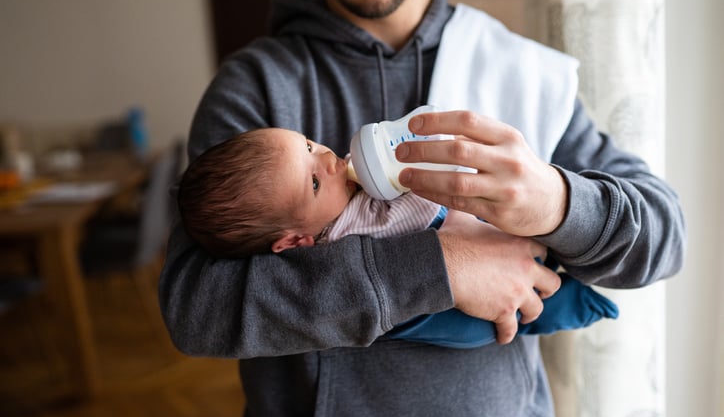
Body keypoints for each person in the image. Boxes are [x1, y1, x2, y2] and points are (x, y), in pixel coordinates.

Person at [159, 0, 686, 417]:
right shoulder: (256, 87)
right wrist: (440, 267)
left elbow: (665, 238)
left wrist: (557, 203)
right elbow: (195, 309)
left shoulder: (520, 71)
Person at [176, 127, 619, 349]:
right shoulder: (341, 243)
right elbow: (196, 311)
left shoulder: (342, 184)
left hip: (493, 235)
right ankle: (573, 307)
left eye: (310, 145)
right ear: (294, 243)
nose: (330, 160)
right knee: (502, 321)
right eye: (313, 183)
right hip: (443, 315)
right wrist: (450, 265)